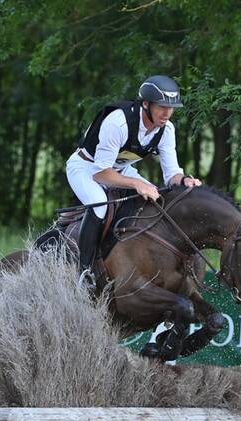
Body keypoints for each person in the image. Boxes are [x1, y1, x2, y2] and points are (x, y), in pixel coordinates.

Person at [67, 75, 202, 288]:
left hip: (121, 169)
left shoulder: (167, 129)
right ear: (146, 104)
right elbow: (101, 174)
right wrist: (136, 184)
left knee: (157, 198)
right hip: (86, 167)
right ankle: (83, 271)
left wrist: (184, 180)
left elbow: (172, 174)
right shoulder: (118, 123)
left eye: (171, 107)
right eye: (161, 106)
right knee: (100, 205)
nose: (167, 113)